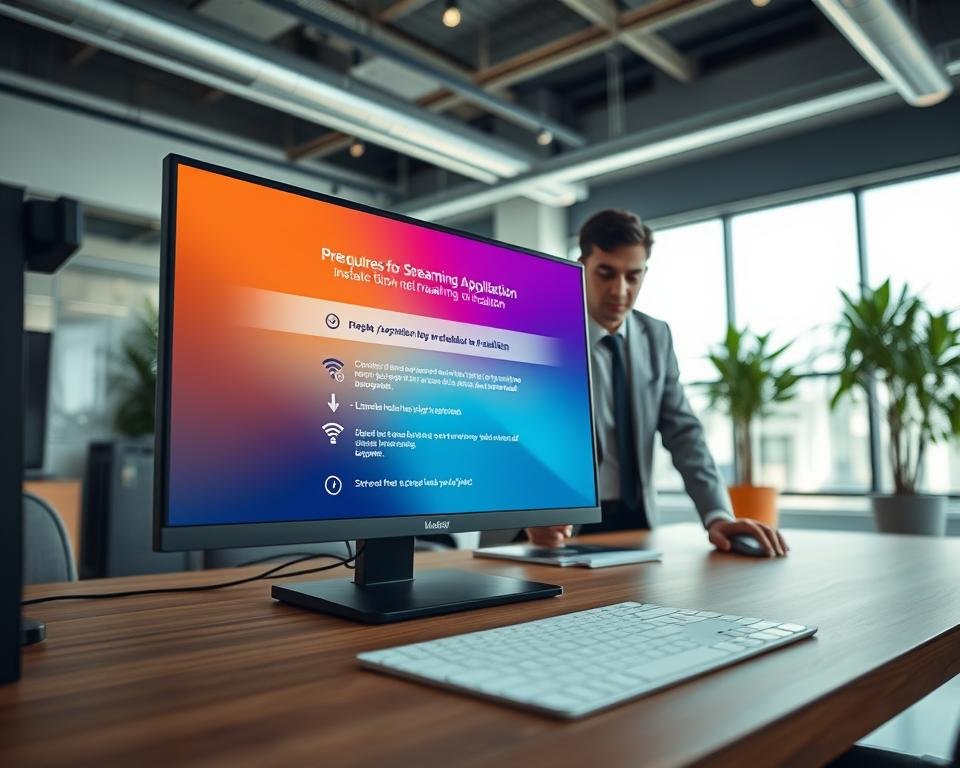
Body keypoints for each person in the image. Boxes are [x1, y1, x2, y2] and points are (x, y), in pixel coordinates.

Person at [526, 209, 788, 557]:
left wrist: (717, 515)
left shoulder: (656, 336)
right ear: (582, 266)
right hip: (554, 524)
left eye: (633, 276)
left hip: (635, 521)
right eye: (606, 273)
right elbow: (506, 432)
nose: (620, 290)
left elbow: (684, 433)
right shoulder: (538, 327)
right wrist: (529, 510)